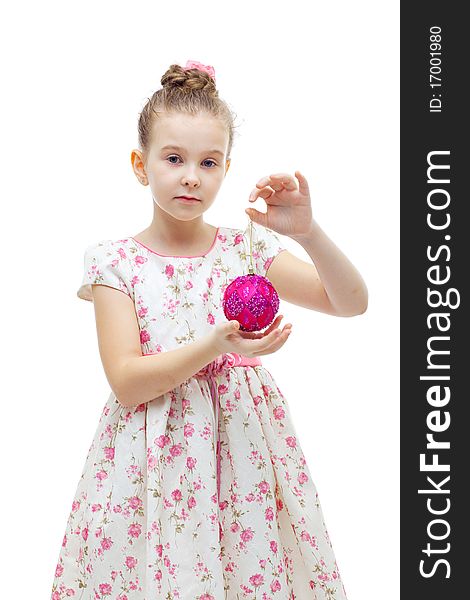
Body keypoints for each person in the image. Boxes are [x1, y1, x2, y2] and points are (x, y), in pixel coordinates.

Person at [50, 59, 367, 600]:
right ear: (140, 163)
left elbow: (351, 302)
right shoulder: (114, 263)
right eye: (173, 158)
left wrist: (308, 233)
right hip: (150, 463)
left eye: (209, 161)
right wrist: (214, 345)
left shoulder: (245, 249)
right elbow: (128, 380)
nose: (192, 175)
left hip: (242, 461)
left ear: (226, 168)